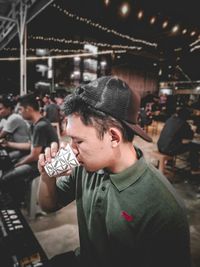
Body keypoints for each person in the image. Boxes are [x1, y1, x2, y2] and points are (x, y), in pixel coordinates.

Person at [38, 76, 191, 267]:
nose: (71, 150)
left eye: (78, 141)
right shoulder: (84, 168)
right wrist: (47, 175)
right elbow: (48, 205)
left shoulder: (163, 209)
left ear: (113, 137)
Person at [0, 93, 59, 204]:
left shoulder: (40, 126)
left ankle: (12, 205)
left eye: (21, 109)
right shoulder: (37, 124)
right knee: (10, 164)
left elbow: (34, 155)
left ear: (28, 109)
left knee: (5, 177)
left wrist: (18, 164)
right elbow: (31, 146)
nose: (19, 112)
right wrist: (8, 144)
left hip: (43, 165)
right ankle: (18, 199)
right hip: (38, 160)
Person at [157, 107, 200, 174]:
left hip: (160, 146)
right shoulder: (184, 124)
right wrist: (192, 130)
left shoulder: (170, 119)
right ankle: (194, 168)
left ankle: (169, 162)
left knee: (173, 142)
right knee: (193, 146)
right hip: (168, 149)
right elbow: (190, 136)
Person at [0, 95, 30, 162]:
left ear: (9, 108)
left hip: (23, 150)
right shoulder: (5, 119)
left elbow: (1, 135)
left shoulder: (13, 118)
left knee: (3, 160)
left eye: (0, 109)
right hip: (15, 148)